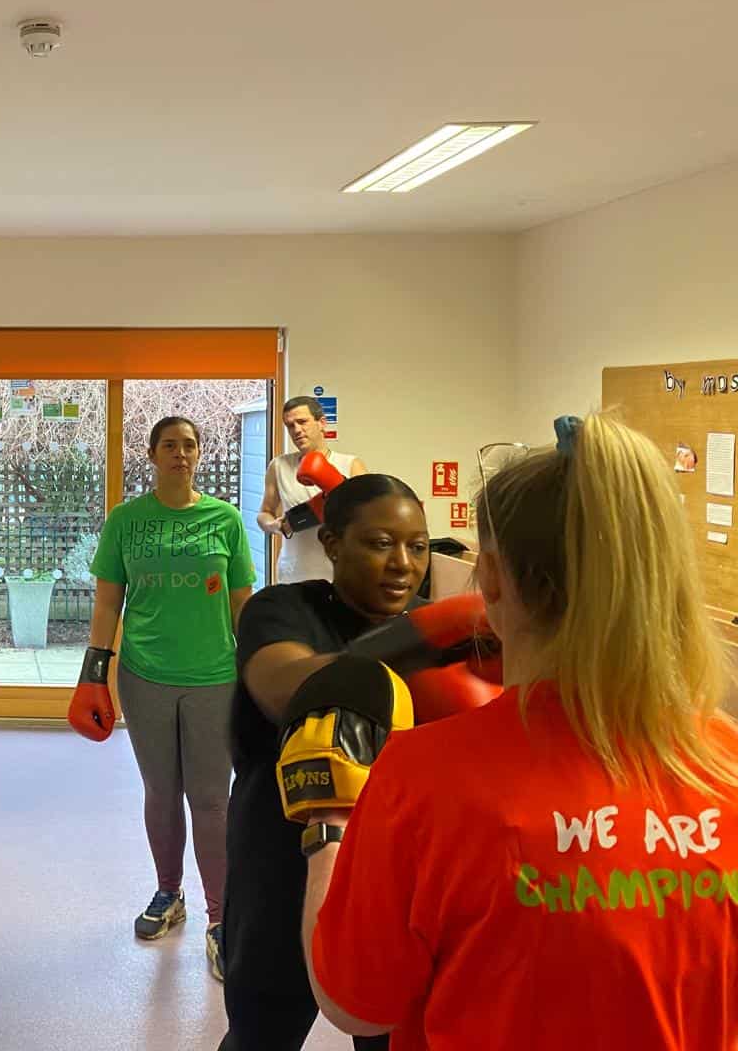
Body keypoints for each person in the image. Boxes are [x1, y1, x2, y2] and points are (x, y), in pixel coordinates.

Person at [301, 415, 738, 1050]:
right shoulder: (725, 762)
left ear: (495, 576)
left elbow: (356, 1005)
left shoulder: (424, 775)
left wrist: (328, 831)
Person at [222, 470, 493, 1050]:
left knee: (390, 1036)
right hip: (281, 858)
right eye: (379, 543)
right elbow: (284, 685)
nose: (403, 563)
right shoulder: (284, 610)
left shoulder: (447, 634)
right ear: (332, 543)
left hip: (397, 872)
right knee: (261, 1033)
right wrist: (412, 636)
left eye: (417, 546)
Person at [69, 416, 255, 982]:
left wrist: (258, 670)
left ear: (199, 455)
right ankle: (168, 894)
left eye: (189, 445)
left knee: (211, 799)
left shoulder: (224, 520)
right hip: (145, 675)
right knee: (160, 791)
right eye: (169, 445)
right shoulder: (127, 521)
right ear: (151, 455)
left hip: (214, 676)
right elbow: (107, 604)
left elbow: (242, 602)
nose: (181, 453)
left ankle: (222, 919)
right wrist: (93, 674)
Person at [257, 395, 367, 583]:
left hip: (339, 573)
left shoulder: (350, 464)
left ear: (322, 423)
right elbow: (264, 513)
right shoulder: (279, 466)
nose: (296, 430)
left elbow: (370, 516)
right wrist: (275, 526)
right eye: (290, 425)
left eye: (302, 422)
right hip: (294, 572)